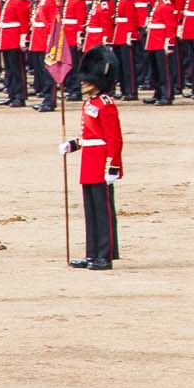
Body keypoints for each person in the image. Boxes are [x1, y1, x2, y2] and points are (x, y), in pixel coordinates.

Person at [61, 46, 123, 270]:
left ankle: (104, 256)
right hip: (89, 160)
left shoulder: (106, 105)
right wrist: (72, 145)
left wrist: (113, 166)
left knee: (102, 211)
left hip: (101, 163)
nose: (83, 83)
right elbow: (89, 136)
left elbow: (113, 139)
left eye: (87, 80)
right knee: (91, 211)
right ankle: (92, 253)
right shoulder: (90, 103)